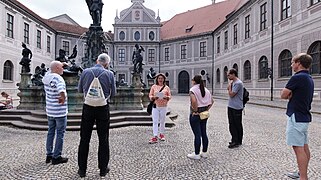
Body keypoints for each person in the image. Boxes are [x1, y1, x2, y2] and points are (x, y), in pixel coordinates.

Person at [77, 53, 116, 177]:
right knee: (103, 139)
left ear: (97, 60)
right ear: (107, 63)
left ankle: (82, 170)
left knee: (84, 139)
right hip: (103, 108)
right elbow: (113, 93)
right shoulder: (109, 74)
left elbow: (79, 90)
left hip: (88, 107)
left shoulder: (85, 72)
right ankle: (103, 169)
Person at [281, 53, 314, 180]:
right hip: (304, 116)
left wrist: (289, 94)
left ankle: (303, 177)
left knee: (298, 148)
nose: (291, 65)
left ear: (299, 63)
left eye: (292, 62)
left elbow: (283, 95)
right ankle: (302, 173)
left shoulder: (297, 77)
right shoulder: (308, 78)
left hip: (296, 116)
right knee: (304, 147)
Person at [42, 61, 68, 165]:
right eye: (61, 67)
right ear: (57, 68)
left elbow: (51, 69)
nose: (63, 69)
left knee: (51, 132)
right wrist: (62, 96)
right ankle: (56, 157)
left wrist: (61, 63)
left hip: (50, 111)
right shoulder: (59, 78)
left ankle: (49, 154)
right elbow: (61, 89)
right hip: (59, 111)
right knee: (60, 133)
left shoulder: (46, 77)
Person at [187, 75, 214, 160]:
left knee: (197, 134)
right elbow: (212, 101)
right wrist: (206, 109)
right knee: (204, 133)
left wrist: (195, 111)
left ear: (194, 81)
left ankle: (196, 154)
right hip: (204, 114)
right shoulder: (206, 90)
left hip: (196, 114)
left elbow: (194, 101)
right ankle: (204, 152)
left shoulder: (192, 90)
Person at [148, 73, 171, 144]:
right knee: (155, 121)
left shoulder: (166, 87)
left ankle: (161, 134)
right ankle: (155, 136)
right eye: (159, 78)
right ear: (157, 79)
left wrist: (166, 97)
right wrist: (153, 97)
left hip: (163, 106)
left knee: (162, 121)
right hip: (155, 106)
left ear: (164, 79)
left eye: (162, 78)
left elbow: (169, 96)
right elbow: (150, 95)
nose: (160, 80)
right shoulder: (154, 87)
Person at [227, 68, 244, 149]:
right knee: (232, 124)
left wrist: (230, 86)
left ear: (233, 74)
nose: (228, 76)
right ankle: (236, 139)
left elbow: (231, 94)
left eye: (229, 75)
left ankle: (236, 141)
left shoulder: (238, 83)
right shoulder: (234, 82)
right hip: (231, 106)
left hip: (236, 107)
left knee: (235, 124)